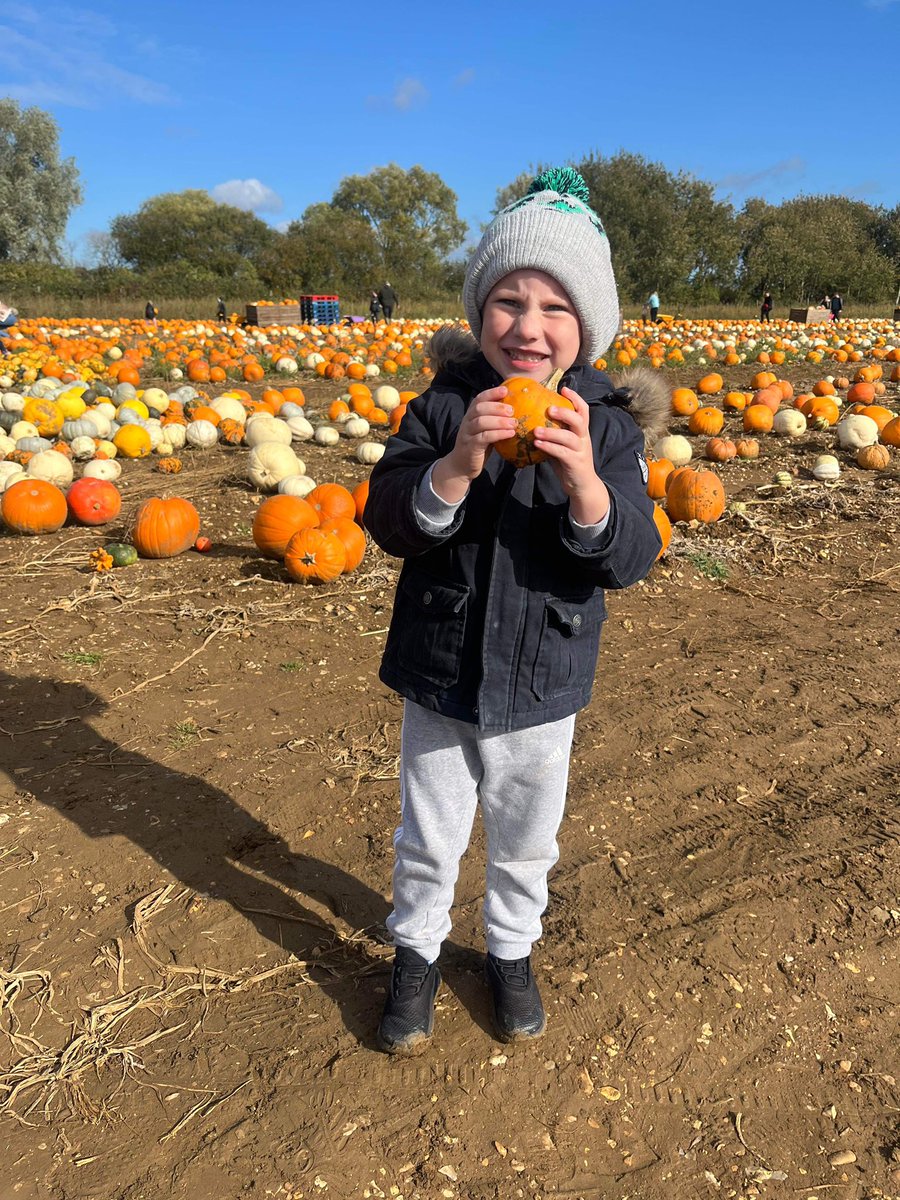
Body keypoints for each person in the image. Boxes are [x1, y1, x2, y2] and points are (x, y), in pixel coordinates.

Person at [364, 167, 668, 1055]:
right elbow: (388, 518)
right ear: (479, 311)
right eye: (507, 301)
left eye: (554, 308)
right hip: (442, 669)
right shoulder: (441, 408)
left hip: (546, 676)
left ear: (587, 329)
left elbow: (632, 554)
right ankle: (415, 952)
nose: (527, 327)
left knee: (528, 838)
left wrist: (583, 483)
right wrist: (454, 464)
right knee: (430, 831)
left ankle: (510, 951)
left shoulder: (608, 430)